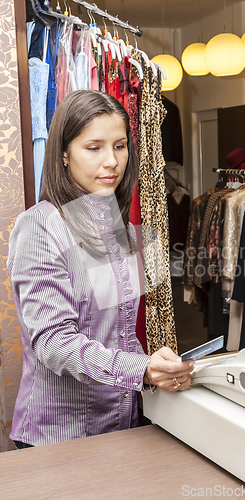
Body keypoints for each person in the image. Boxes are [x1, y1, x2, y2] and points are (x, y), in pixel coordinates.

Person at [7, 90, 194, 448]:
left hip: (122, 421)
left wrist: (156, 367)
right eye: (94, 148)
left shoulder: (119, 227)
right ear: (64, 153)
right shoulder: (40, 227)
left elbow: (119, 330)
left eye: (120, 146)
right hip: (59, 435)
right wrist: (139, 370)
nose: (111, 161)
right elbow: (53, 343)